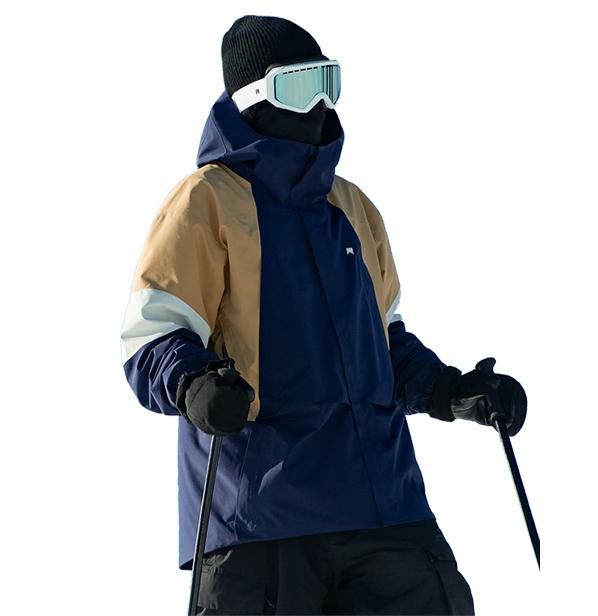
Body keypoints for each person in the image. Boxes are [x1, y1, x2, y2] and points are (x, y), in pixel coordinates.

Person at [120, 14, 527, 615]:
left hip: (383, 504)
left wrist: (452, 390)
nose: (317, 105)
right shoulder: (207, 200)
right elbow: (154, 335)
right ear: (252, 98)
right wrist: (196, 383)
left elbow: (385, 346)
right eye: (297, 87)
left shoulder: (353, 206)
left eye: (327, 83)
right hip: (263, 515)